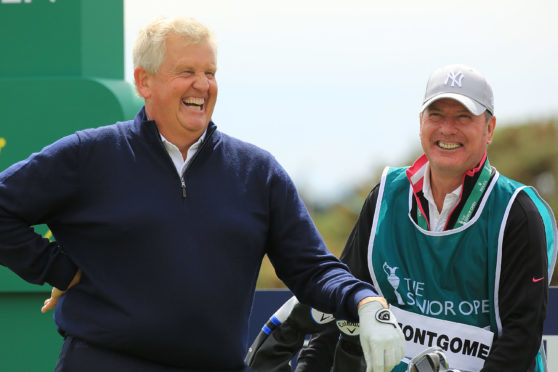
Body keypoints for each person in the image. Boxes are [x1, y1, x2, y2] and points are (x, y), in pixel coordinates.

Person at [0, 17, 406, 372]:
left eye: (210, 72)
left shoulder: (257, 172)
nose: (203, 84)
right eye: (187, 71)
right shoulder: (91, 155)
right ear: (144, 81)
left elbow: (311, 268)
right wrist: (57, 269)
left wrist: (365, 301)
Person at [246, 64, 557, 372]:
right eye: (436, 115)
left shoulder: (517, 213)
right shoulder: (387, 196)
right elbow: (344, 309)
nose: (447, 129)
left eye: (464, 117)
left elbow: (521, 339)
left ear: (489, 129)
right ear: (421, 122)